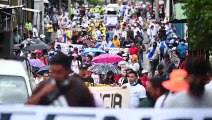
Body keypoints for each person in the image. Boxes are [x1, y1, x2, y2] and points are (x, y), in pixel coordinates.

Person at [26, 53, 95, 107]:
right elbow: (27, 108)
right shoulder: (44, 86)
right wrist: (43, 93)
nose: (55, 75)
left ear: (68, 71)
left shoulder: (79, 88)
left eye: (59, 72)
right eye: (53, 71)